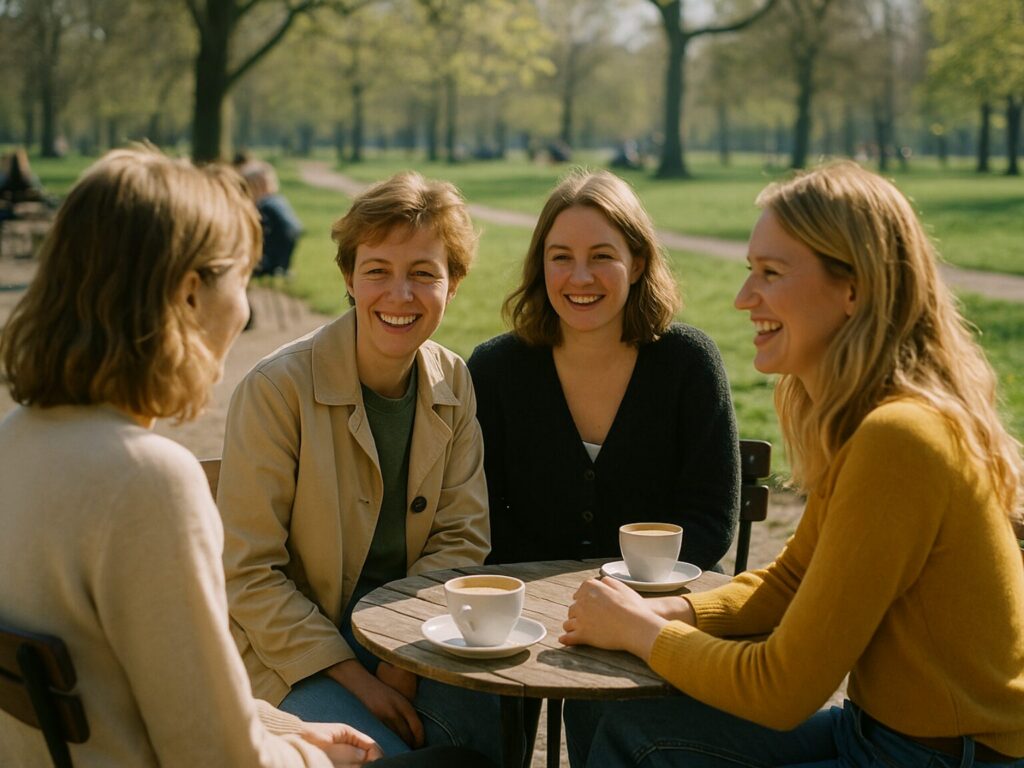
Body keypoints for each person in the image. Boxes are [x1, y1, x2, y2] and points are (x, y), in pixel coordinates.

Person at [559, 162, 1024, 767]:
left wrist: (640, 632)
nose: (743, 297)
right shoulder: (869, 420)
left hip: (941, 756)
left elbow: (780, 689)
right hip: (877, 732)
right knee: (628, 728)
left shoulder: (900, 437)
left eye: (771, 273)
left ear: (853, 287)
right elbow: (791, 581)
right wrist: (668, 609)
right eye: (750, 270)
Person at [0, 147, 379, 767]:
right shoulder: (147, 481)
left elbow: (127, 681)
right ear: (188, 295)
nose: (246, 310)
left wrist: (276, 728)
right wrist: (322, 761)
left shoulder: (14, 441)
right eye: (243, 279)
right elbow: (218, 760)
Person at [217, 171, 499, 762]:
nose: (400, 295)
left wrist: (402, 658)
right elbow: (250, 574)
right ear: (349, 277)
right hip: (290, 651)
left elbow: (461, 538)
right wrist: (358, 677)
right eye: (378, 272)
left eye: (424, 273)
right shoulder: (277, 389)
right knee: (379, 755)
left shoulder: (455, 381)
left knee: (478, 742)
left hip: (414, 633)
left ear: (454, 284)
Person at [467, 169, 739, 570]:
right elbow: (481, 516)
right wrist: (558, 593)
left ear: (636, 264)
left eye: (602, 256)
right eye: (561, 257)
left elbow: (709, 519)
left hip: (664, 599)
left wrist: (624, 594)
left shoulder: (690, 363)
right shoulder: (494, 370)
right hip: (528, 609)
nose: (580, 277)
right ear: (541, 264)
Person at [240, 160, 303, 277]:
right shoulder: (279, 200)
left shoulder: (264, 207)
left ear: (255, 187)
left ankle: (272, 268)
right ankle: (281, 267)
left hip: (273, 250)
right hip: (288, 241)